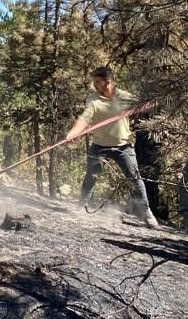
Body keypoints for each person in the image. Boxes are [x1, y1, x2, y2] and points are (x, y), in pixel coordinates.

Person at [65, 66, 159, 228]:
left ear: (107, 82)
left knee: (135, 180)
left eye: (97, 82)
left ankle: (146, 213)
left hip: (124, 147)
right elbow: (84, 119)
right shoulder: (93, 100)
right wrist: (73, 133)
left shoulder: (125, 97)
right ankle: (81, 207)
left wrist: (152, 103)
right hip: (99, 147)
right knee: (90, 178)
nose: (94, 85)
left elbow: (146, 104)